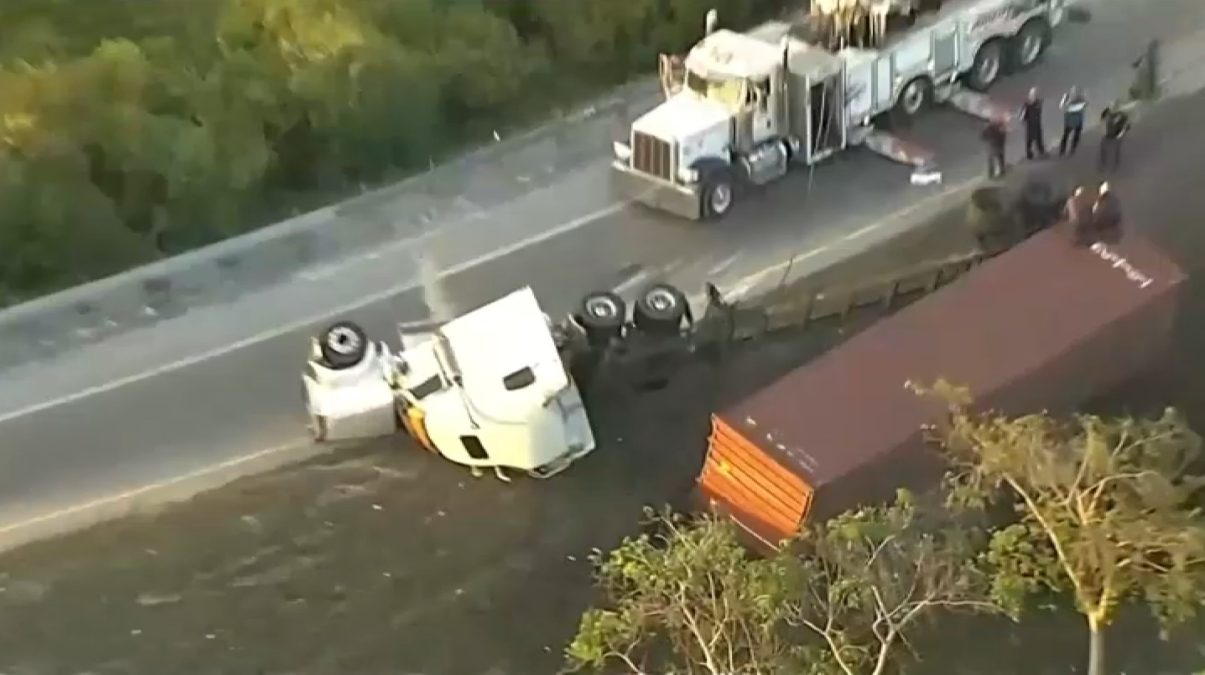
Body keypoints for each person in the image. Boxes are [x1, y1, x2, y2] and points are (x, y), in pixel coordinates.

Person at [1099, 103, 1131, 172]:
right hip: (1107, 135)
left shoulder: (1123, 116)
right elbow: (1102, 118)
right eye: (1113, 107)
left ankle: (1115, 166)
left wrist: (1121, 133)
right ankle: (1103, 164)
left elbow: (1127, 126)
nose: (1114, 109)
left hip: (1116, 136)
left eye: (1116, 107)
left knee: (1116, 151)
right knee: (1104, 149)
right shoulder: (1108, 113)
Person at [1058, 86, 1088, 157]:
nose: (1074, 93)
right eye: (1073, 91)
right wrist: (1065, 100)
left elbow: (1085, 105)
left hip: (1077, 120)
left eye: (1075, 92)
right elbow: (1061, 107)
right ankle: (1063, 150)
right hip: (1070, 120)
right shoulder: (1067, 97)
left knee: (1075, 135)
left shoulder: (1081, 98)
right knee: (1066, 135)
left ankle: (1071, 149)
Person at [1020, 87, 1048, 160]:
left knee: (1039, 138)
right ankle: (1029, 154)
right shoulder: (1026, 104)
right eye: (1032, 94)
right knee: (1029, 140)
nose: (1034, 96)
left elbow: (1039, 108)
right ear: (1030, 95)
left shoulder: (1038, 102)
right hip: (1030, 124)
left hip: (1037, 123)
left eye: (1035, 94)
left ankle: (1041, 151)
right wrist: (1023, 120)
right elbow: (1023, 115)